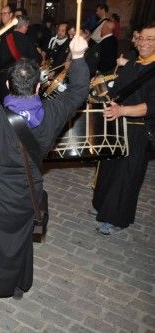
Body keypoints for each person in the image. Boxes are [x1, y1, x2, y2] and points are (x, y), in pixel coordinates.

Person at [0, 35, 89, 307]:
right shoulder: (54, 111)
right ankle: (16, 284)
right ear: (39, 86)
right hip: (26, 187)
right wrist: (79, 57)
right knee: (17, 237)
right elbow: (79, 91)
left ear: (8, 85)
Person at [91, 23, 155, 235]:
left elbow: (151, 106)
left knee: (125, 176)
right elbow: (117, 91)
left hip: (138, 131)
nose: (144, 42)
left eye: (151, 39)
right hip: (119, 126)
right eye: (142, 38)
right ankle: (103, 207)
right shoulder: (133, 64)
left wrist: (123, 110)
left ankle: (115, 218)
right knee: (109, 169)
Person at [0, 15, 42, 101]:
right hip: (18, 81)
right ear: (23, 26)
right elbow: (36, 60)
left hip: (3, 80)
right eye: (27, 26)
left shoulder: (4, 38)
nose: (27, 29)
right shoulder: (27, 40)